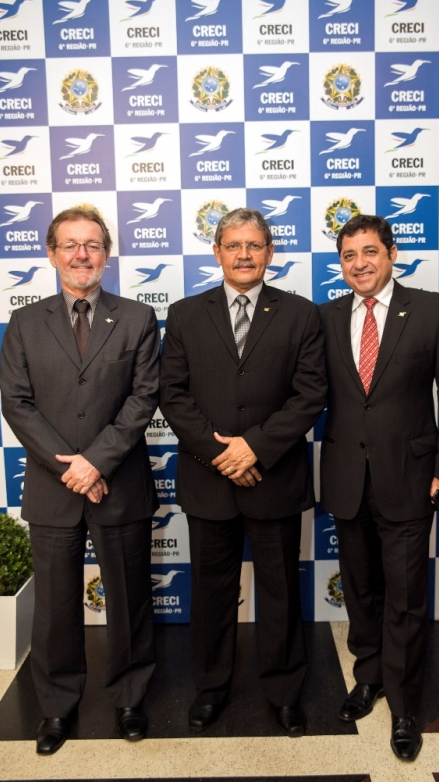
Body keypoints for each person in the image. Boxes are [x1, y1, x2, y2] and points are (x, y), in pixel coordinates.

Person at [159, 208, 326, 737]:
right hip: (208, 479)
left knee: (280, 590)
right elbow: (173, 395)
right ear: (217, 253)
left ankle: (285, 692)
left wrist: (254, 448)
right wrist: (222, 455)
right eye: (233, 245)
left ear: (270, 252)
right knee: (211, 592)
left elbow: (310, 395)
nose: (244, 255)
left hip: (274, 477)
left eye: (254, 245)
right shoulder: (185, 314)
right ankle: (210, 689)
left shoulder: (301, 314)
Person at [0, 206, 160, 755]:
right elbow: (17, 404)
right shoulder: (25, 322)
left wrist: (97, 462)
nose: (81, 254)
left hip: (120, 483)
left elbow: (144, 397)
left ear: (106, 255)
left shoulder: (137, 318)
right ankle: (56, 708)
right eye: (69, 245)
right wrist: (73, 468)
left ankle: (131, 698)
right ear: (51, 254)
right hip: (54, 488)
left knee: (130, 599)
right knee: (55, 608)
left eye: (92, 244)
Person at [319, 214, 439, 761]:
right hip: (345, 478)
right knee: (360, 588)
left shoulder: (430, 309)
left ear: (391, 254)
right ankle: (369, 677)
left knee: (405, 596)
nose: (359, 264)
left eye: (369, 252)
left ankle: (405, 706)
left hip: (410, 477)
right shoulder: (326, 317)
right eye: (348, 256)